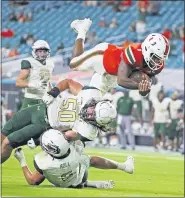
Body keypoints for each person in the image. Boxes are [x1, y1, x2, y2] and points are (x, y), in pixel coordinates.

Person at [1, 79, 116, 164]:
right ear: (96, 104)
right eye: (93, 111)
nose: (90, 114)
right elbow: (68, 82)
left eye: (94, 116)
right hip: (38, 109)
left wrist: (38, 140)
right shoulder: (90, 95)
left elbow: (65, 136)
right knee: (2, 134)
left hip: (43, 125)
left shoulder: (88, 131)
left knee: (7, 143)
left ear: (97, 123)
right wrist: (54, 92)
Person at [69, 18, 170, 96]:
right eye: (156, 57)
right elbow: (121, 80)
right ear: (148, 49)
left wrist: (144, 90)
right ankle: (82, 30)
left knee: (93, 101)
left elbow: (145, 83)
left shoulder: (158, 66)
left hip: (111, 75)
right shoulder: (135, 53)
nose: (158, 61)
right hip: (103, 57)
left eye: (161, 58)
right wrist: (139, 86)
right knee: (73, 64)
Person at [14, 129, 134, 188]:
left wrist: (22, 160)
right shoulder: (75, 153)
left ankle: (88, 184)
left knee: (39, 176)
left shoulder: (41, 162)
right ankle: (123, 167)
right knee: (92, 160)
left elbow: (32, 181)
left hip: (59, 181)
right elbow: (73, 135)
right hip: (78, 178)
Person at [15, 40, 54, 109]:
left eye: (44, 51)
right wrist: (33, 84)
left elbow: (48, 82)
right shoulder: (29, 62)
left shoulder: (50, 64)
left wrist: (53, 93)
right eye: (40, 51)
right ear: (34, 52)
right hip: (31, 100)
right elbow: (18, 82)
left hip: (44, 100)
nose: (42, 54)